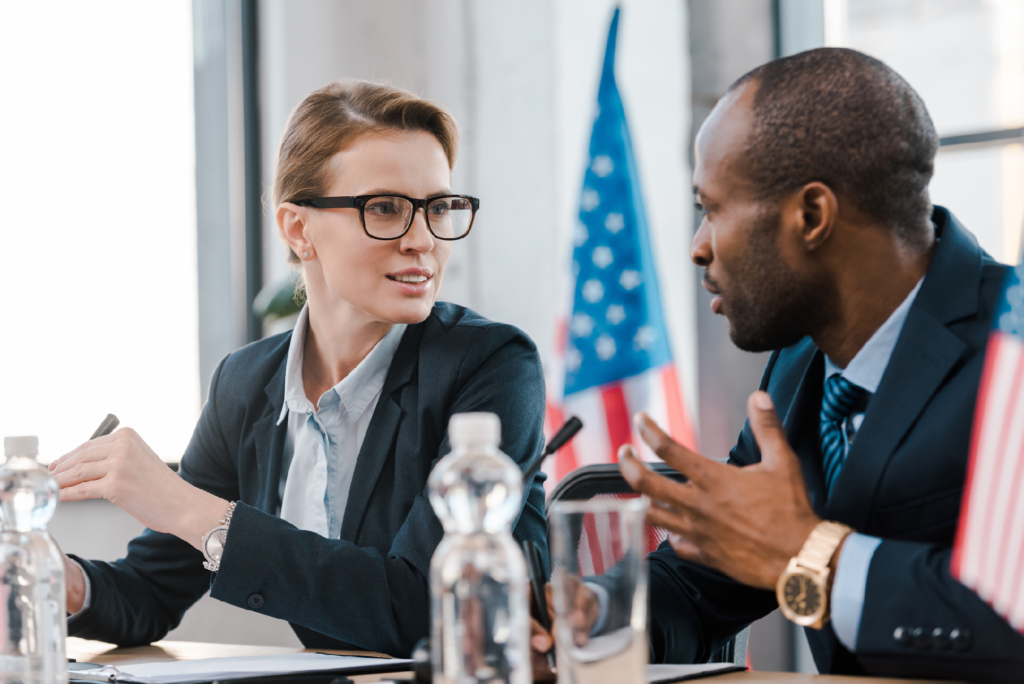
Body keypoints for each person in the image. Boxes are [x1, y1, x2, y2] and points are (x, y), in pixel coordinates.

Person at [531, 48, 1024, 682]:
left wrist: (807, 551)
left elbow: (1007, 613)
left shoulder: (1011, 343)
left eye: (712, 208)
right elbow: (714, 577)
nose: (698, 247)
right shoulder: (799, 359)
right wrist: (592, 614)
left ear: (811, 217)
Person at [47, 80, 549, 657]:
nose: (422, 240)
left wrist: (189, 509)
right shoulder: (245, 383)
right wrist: (54, 576)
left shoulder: (490, 366)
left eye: (438, 207)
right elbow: (151, 591)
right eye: (385, 208)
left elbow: (428, 611)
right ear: (297, 228)